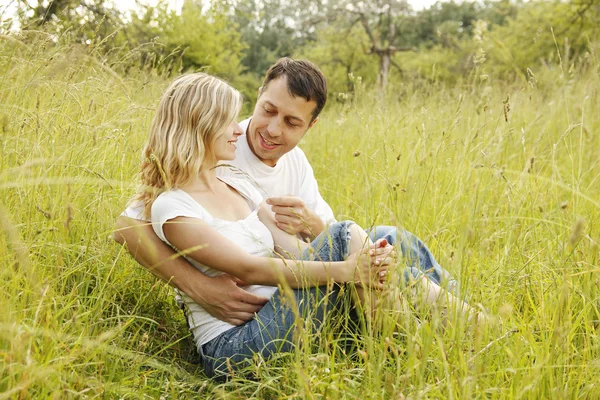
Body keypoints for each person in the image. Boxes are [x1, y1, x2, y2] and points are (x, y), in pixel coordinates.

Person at [130, 72, 478, 380]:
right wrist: (345, 268)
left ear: (309, 126)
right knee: (349, 238)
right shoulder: (172, 202)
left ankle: (454, 332)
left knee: (384, 243)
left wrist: (357, 263)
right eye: (265, 110)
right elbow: (245, 266)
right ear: (199, 124)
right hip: (235, 346)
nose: (244, 127)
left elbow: (294, 245)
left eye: (291, 121)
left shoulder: (235, 180)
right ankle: (434, 343)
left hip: (279, 313)